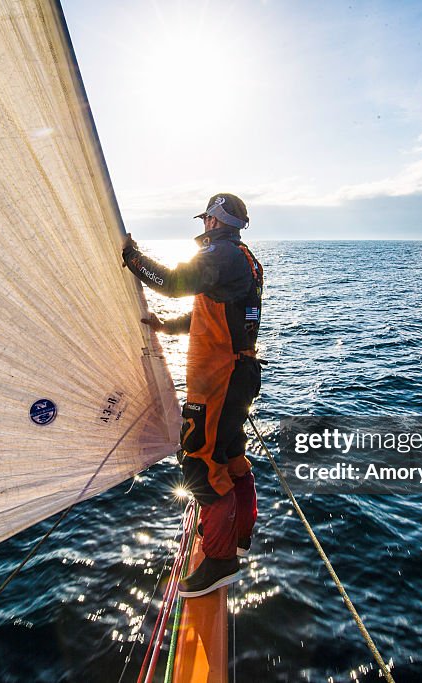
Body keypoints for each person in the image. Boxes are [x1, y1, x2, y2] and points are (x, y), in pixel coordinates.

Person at [122, 193, 264, 598]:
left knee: (201, 463)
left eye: (207, 220)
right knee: (231, 457)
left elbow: (173, 283)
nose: (205, 226)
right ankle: (238, 537)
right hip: (239, 373)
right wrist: (169, 327)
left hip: (218, 380)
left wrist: (131, 257)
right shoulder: (242, 258)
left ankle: (219, 562)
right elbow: (217, 314)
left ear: (214, 222)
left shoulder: (220, 255)